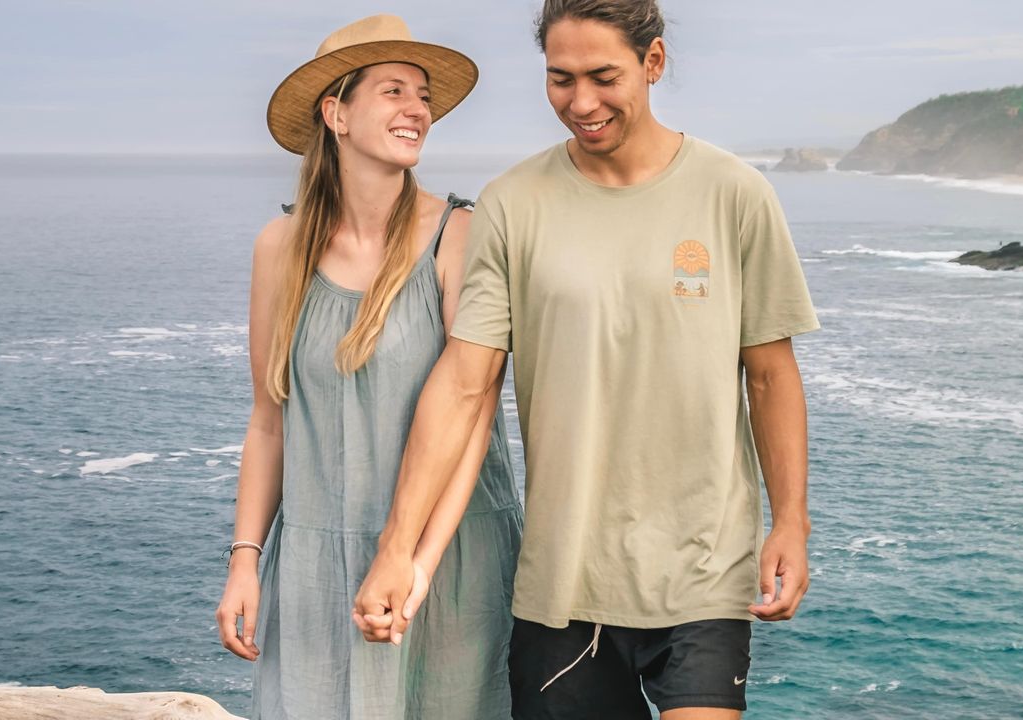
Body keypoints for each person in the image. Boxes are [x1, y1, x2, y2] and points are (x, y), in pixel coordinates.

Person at [353, 1, 819, 718]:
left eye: (603, 77)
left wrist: (791, 521)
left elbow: (770, 373)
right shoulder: (513, 204)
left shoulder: (735, 194)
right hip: (562, 583)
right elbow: (463, 386)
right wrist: (397, 547)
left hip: (702, 571)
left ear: (653, 63)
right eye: (560, 80)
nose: (581, 102)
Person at [213, 14, 523, 720]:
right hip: (315, 569)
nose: (418, 109)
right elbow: (269, 422)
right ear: (337, 113)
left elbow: (473, 414)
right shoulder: (279, 248)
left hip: (451, 560)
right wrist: (244, 562)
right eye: (393, 91)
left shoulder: (460, 236)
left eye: (423, 97)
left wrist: (413, 565)